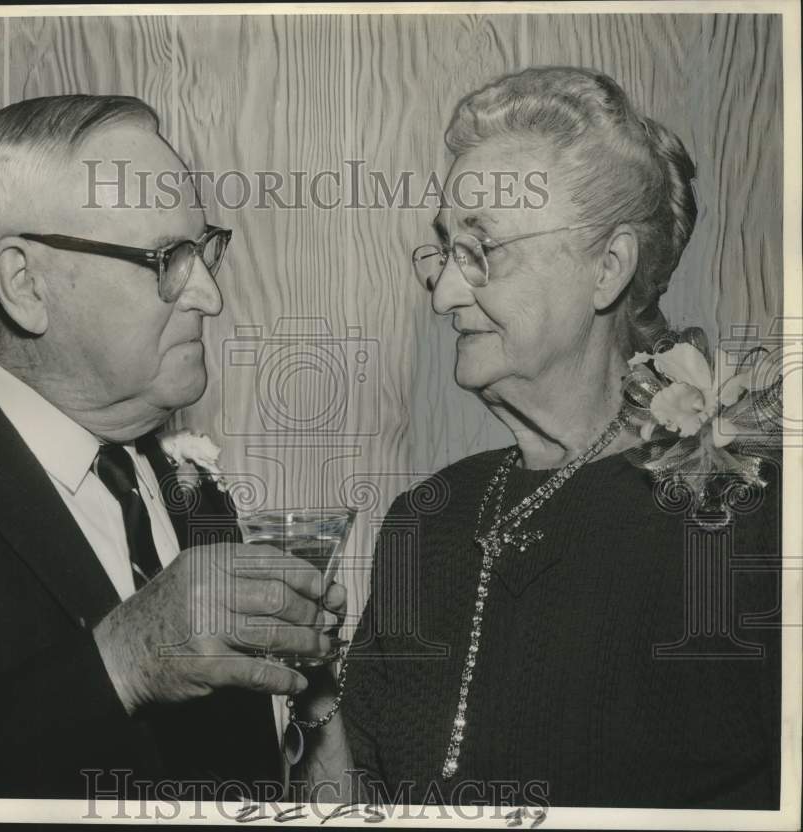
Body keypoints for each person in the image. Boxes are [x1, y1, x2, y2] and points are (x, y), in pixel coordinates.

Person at [0, 94, 345, 799]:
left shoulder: (192, 488)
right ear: (25, 285)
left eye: (205, 250)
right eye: (167, 260)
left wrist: (306, 701)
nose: (210, 298)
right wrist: (119, 662)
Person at [292, 67, 781, 809]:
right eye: (445, 251)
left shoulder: (742, 513)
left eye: (484, 251)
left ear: (607, 269)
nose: (446, 293)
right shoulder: (431, 517)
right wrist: (308, 683)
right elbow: (361, 805)